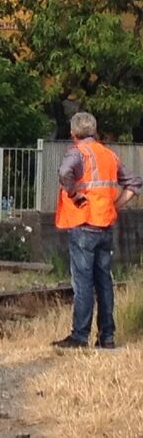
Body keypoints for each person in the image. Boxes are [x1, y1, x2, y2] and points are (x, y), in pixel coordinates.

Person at [52, 112, 141, 349]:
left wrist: (74, 195)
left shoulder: (77, 152)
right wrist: (115, 204)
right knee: (104, 282)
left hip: (83, 225)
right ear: (94, 131)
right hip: (105, 226)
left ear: (73, 133)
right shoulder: (109, 155)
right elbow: (134, 184)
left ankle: (79, 336)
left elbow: (64, 173)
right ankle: (107, 337)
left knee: (83, 283)